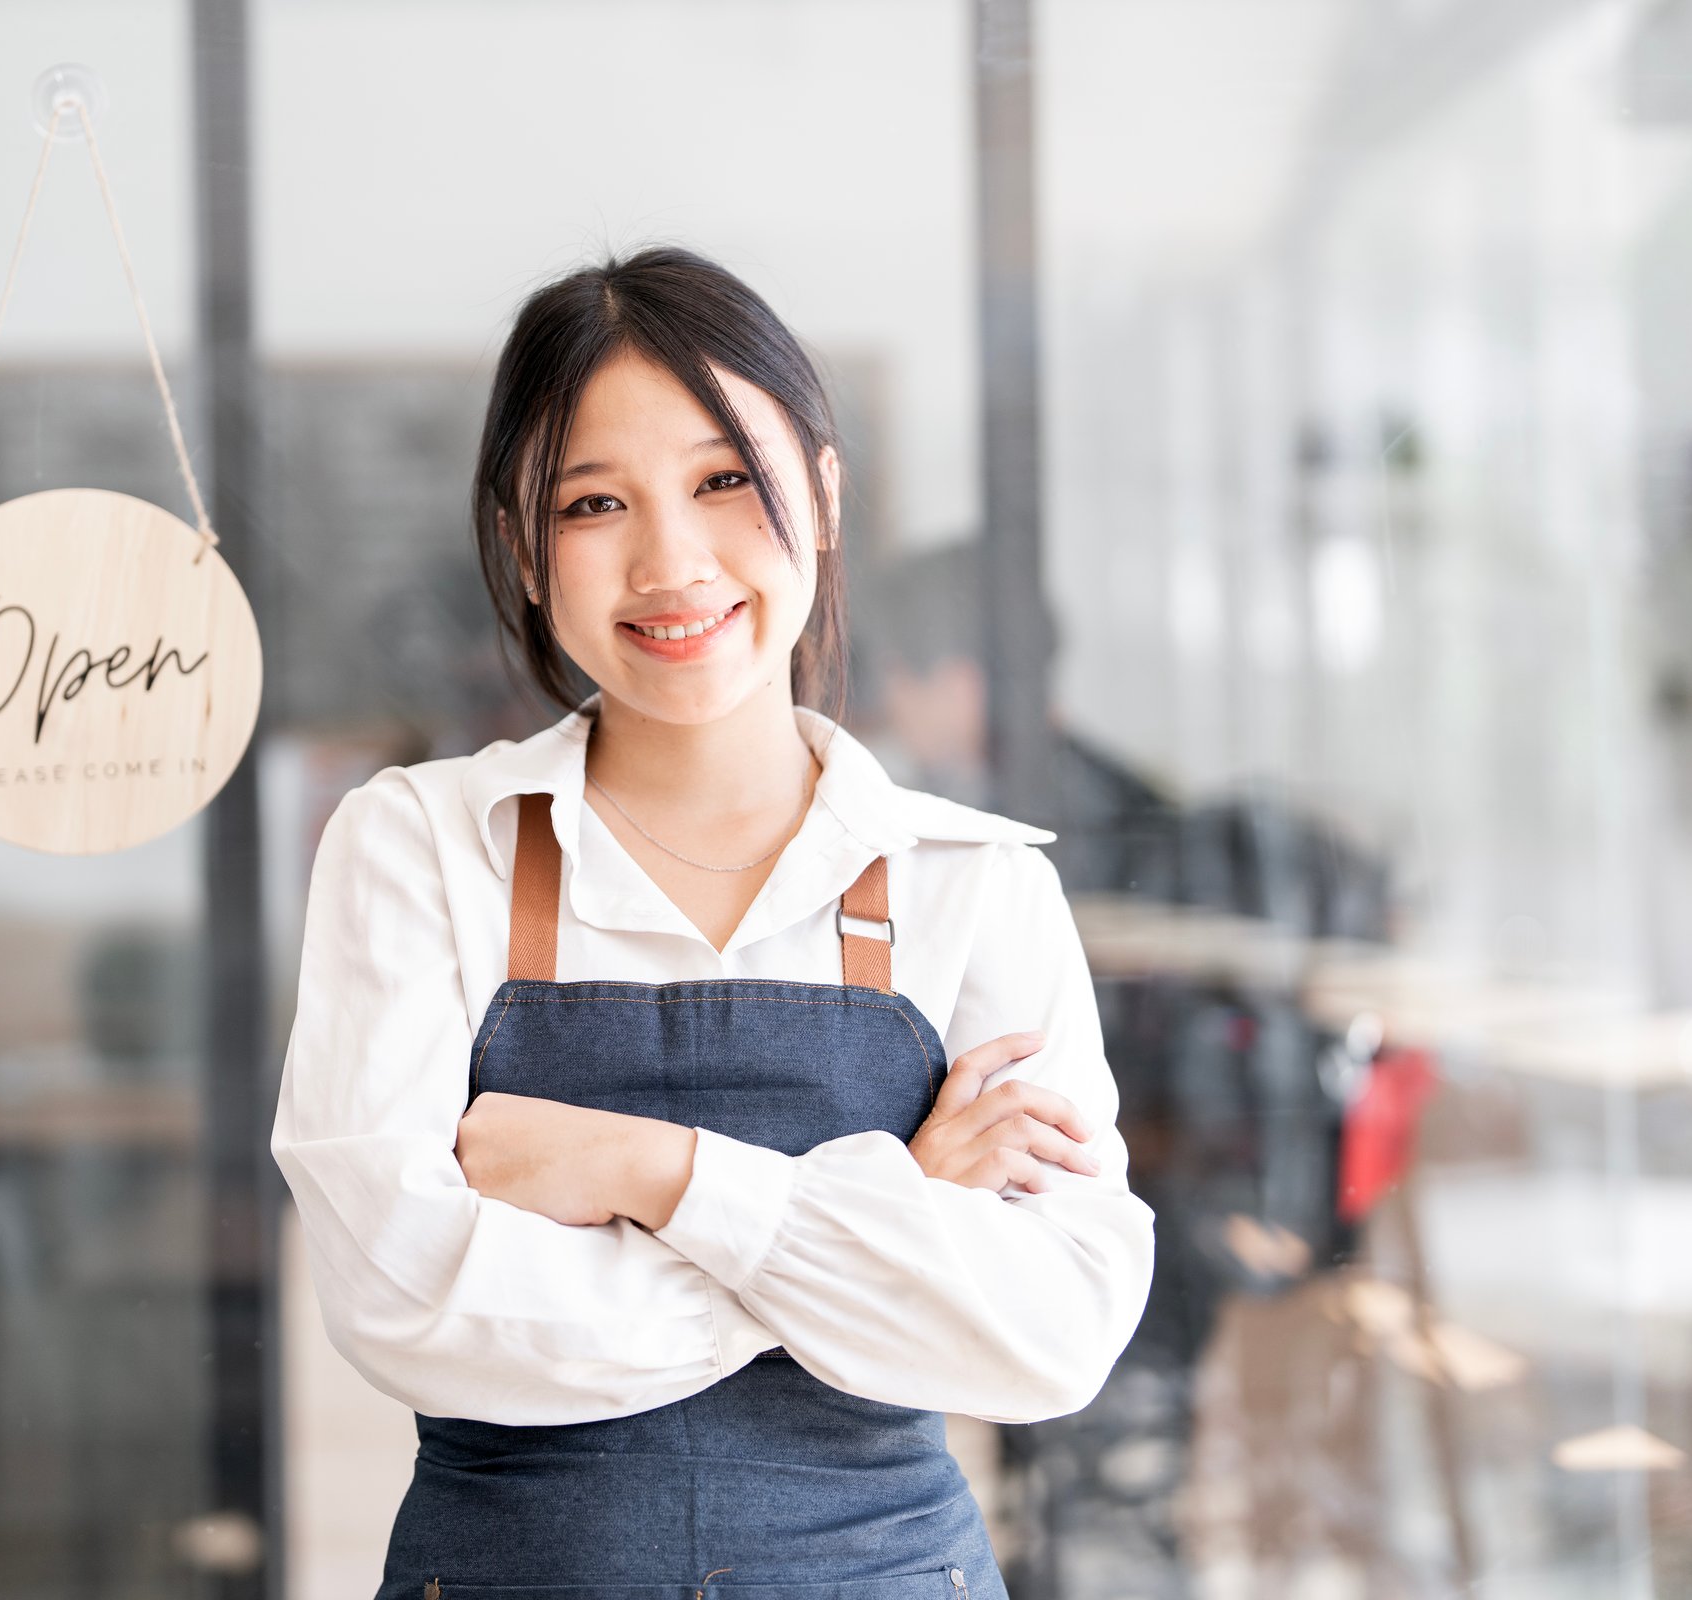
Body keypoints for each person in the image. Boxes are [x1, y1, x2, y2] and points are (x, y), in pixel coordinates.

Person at [271, 246, 1155, 1599]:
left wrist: (654, 1175)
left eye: (724, 480)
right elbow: (405, 1301)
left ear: (825, 490)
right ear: (520, 545)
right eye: (592, 502)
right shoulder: (419, 849)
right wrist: (885, 1222)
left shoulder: (971, 885)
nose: (670, 559)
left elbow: (1053, 1334)